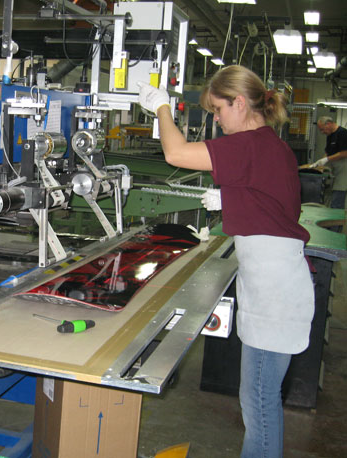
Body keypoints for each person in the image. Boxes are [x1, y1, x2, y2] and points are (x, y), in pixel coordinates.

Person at [137, 66, 314, 458]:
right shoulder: (270, 145)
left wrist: (163, 107)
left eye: (218, 109)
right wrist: (231, 198)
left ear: (240, 103)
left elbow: (175, 153)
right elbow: (274, 206)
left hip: (274, 297)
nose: (216, 119)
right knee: (260, 400)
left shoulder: (249, 144)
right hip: (275, 287)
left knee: (259, 404)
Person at [312, 116, 347, 209]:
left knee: (338, 194)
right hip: (335, 169)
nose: (322, 132)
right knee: (333, 193)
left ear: (328, 124)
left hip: (343, 169)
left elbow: (344, 153)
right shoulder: (330, 135)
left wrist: (326, 160)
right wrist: (320, 164)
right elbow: (328, 152)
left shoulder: (343, 133)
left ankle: (337, 216)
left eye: (322, 129)